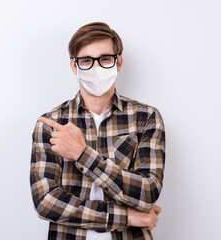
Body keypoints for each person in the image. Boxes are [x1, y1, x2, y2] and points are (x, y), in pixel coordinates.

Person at [29, 22, 165, 240]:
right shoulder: (52, 123)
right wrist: (127, 216)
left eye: (105, 59)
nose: (96, 67)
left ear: (118, 62)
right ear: (74, 66)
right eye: (86, 61)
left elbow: (147, 193)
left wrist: (82, 154)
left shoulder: (146, 118)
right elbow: (46, 202)